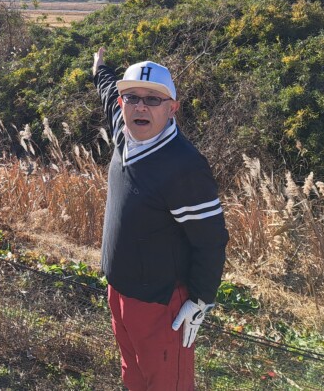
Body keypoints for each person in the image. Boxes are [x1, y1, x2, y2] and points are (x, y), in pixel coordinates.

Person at [92, 47, 228, 391]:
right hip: (120, 293)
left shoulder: (184, 167)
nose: (140, 106)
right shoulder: (124, 133)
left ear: (172, 109)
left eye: (153, 100)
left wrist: (200, 299)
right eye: (133, 97)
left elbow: (210, 239)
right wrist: (100, 69)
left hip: (161, 305)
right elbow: (109, 92)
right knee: (133, 377)